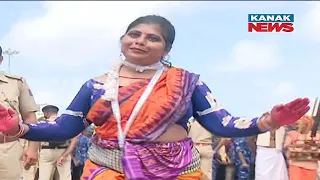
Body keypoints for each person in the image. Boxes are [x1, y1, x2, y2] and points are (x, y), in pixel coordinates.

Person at [0, 15, 310, 179]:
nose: (140, 41)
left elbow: (222, 123)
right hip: (108, 171)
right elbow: (65, 128)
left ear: (167, 48)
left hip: (177, 173)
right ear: (122, 39)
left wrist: (268, 120)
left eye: (153, 38)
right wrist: (18, 130)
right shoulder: (96, 85)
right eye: (134, 34)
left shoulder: (187, 83)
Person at [0, 45, 40, 180]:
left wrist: (33, 148)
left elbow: (30, 117)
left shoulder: (16, 83)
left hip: (7, 149)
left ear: (0, 60)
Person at [38, 105, 78, 180]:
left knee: (44, 177)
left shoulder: (41, 123)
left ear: (45, 113)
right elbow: (74, 142)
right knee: (65, 177)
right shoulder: (68, 124)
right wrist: (64, 155)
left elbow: (36, 140)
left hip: (47, 151)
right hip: (64, 150)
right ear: (57, 112)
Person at [284, 115, 320, 180]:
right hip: (296, 165)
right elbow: (286, 146)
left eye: (300, 121)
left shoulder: (316, 135)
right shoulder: (293, 134)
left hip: (311, 166)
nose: (298, 123)